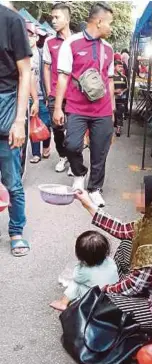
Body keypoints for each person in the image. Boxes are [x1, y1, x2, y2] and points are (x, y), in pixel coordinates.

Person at [75, 174, 152, 330]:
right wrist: (87, 203)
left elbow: (133, 286)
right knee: (127, 243)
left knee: (102, 303)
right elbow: (121, 229)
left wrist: (105, 289)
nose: (136, 195)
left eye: (143, 194)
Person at [53, 2, 115, 208]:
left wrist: (112, 110)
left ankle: (95, 189)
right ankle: (79, 172)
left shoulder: (109, 48)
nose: (111, 28)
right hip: (77, 108)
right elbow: (63, 77)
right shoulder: (71, 43)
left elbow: (110, 80)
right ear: (99, 21)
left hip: (103, 109)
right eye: (109, 23)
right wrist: (58, 107)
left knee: (100, 151)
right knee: (71, 144)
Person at [0, 2, 32, 256]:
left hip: (6, 106)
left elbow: (25, 72)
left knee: (11, 179)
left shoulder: (11, 20)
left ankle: (16, 231)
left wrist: (19, 120)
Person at [50, 230, 118, 311]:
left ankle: (63, 303)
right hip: (113, 298)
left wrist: (80, 265)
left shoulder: (85, 271)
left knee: (76, 284)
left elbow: (76, 277)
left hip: (95, 302)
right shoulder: (110, 261)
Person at [43, 2, 72, 173]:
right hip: (55, 94)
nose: (53, 21)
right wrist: (48, 92)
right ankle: (63, 156)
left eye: (57, 17)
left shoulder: (77, 41)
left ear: (67, 19)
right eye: (52, 17)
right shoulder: (49, 42)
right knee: (58, 129)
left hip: (75, 94)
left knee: (74, 129)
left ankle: (74, 158)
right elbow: (46, 67)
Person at [26, 23, 51, 164]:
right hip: (27, 97)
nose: (28, 39)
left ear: (36, 38)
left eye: (31, 35)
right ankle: (36, 153)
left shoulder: (42, 55)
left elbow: (46, 75)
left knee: (45, 123)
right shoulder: (22, 54)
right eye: (26, 36)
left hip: (42, 96)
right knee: (32, 125)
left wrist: (48, 95)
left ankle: (46, 146)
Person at [113, 60, 128, 137]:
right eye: (119, 66)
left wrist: (122, 92)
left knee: (119, 113)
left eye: (122, 66)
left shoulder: (124, 77)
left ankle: (118, 129)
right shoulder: (110, 77)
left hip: (121, 99)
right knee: (112, 113)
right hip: (112, 99)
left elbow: (126, 87)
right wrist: (114, 91)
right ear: (114, 67)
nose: (121, 68)